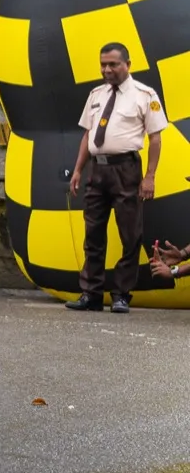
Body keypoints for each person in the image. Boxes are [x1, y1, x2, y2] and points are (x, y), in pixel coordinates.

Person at [66, 41, 166, 313]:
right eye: (103, 65)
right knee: (93, 235)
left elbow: (155, 139)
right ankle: (91, 294)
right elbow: (88, 135)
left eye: (113, 64)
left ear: (127, 65)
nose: (107, 70)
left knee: (130, 235)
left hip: (126, 170)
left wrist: (150, 177)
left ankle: (121, 294)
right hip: (97, 170)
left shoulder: (144, 95)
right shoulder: (96, 94)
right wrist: (78, 169)